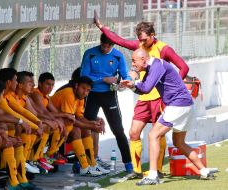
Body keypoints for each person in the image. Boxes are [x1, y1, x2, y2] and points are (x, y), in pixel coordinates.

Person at [94, 11, 189, 178]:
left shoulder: (164, 49)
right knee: (133, 133)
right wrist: (101, 27)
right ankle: (136, 171)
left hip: (160, 99)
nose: (141, 43)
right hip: (143, 96)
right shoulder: (140, 46)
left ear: (153, 35)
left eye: (145, 39)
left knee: (157, 134)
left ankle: (157, 170)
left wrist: (174, 88)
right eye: (140, 40)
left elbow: (184, 67)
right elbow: (119, 40)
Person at [120, 48, 217, 185]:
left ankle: (153, 175)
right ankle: (204, 171)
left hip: (178, 105)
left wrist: (133, 82)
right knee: (179, 143)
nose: (133, 65)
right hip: (186, 105)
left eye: (134, 61)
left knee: (153, 135)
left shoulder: (156, 65)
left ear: (144, 59)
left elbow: (146, 88)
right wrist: (132, 85)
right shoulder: (152, 67)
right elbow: (143, 88)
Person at [81, 33, 133, 172]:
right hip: (91, 94)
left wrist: (124, 82)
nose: (104, 49)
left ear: (112, 45)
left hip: (109, 95)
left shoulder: (118, 56)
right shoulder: (90, 53)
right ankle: (86, 162)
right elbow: (83, 76)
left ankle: (128, 163)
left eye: (107, 46)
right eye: (102, 45)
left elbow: (125, 74)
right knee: (87, 126)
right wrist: (103, 79)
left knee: (118, 130)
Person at [51, 76, 109, 176]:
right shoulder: (68, 94)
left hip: (62, 123)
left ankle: (92, 164)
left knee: (86, 130)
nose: (85, 93)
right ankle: (84, 167)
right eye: (83, 88)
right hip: (52, 122)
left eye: (88, 90)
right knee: (77, 130)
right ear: (76, 86)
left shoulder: (80, 97)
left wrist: (93, 123)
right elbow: (69, 120)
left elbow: (79, 117)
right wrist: (91, 126)